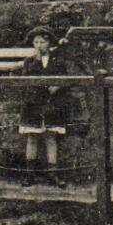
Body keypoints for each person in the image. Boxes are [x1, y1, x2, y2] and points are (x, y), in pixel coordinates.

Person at [17, 25, 69, 187]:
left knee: (51, 137)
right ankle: (29, 174)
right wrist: (37, 62)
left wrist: (57, 86)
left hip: (51, 104)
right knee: (32, 138)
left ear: (49, 44)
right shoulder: (29, 62)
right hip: (33, 104)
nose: (39, 45)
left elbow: (64, 77)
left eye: (43, 42)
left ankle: (53, 174)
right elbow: (26, 79)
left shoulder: (57, 60)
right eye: (36, 42)